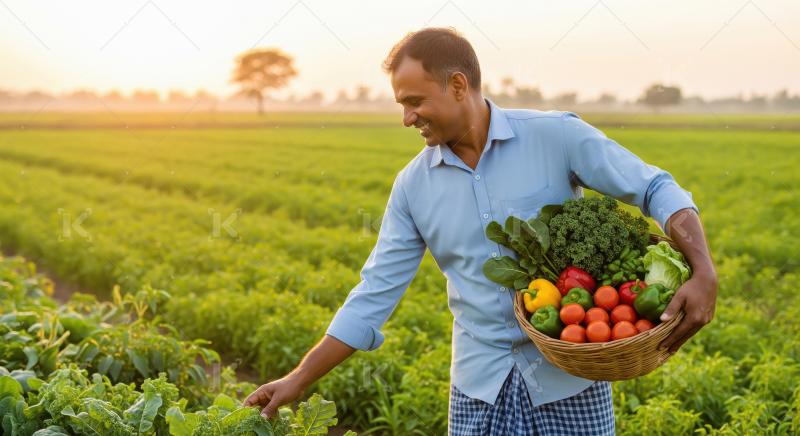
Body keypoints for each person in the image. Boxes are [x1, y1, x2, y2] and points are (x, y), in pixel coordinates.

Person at [244, 27, 718, 435]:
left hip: (570, 381)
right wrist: (298, 379)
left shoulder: (555, 136)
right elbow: (374, 293)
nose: (407, 118)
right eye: (401, 105)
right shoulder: (413, 186)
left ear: (456, 85)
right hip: (478, 392)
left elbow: (654, 186)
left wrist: (703, 270)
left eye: (414, 101)